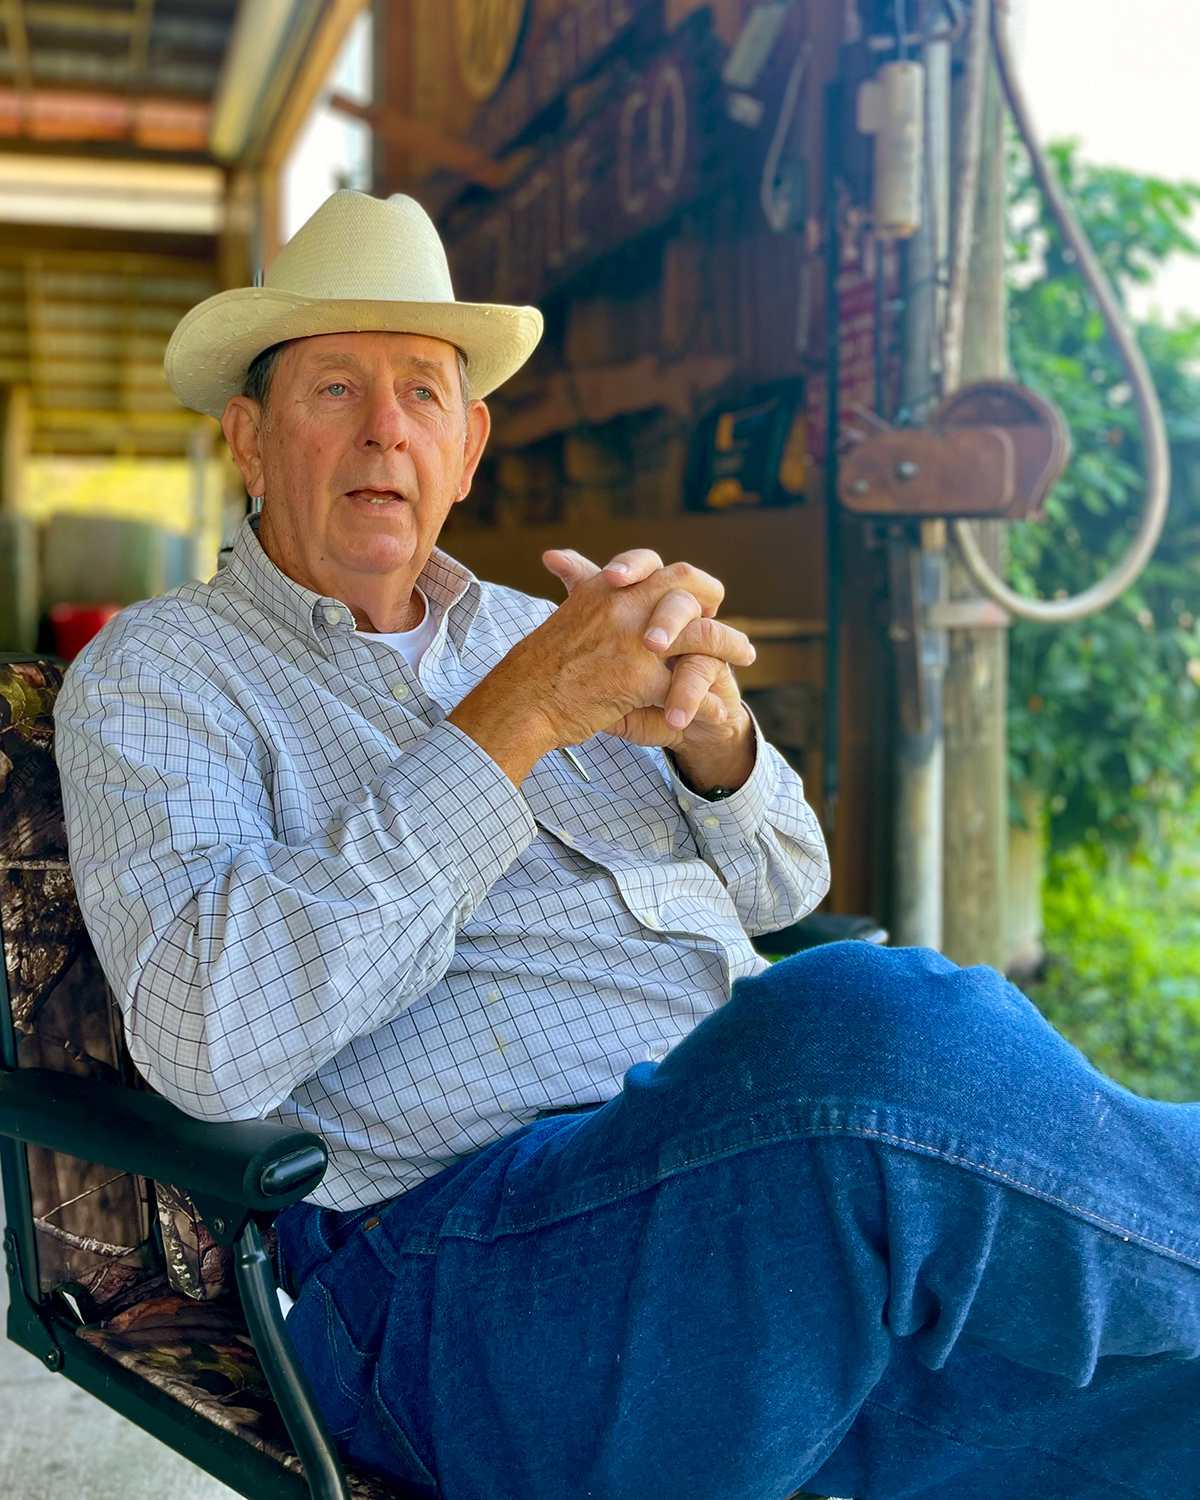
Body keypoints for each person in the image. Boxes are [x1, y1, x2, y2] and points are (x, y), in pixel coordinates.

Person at [56, 192, 1200, 1500]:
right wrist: (516, 719)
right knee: (875, 1032)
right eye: (334, 388)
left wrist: (719, 748)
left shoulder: (544, 626)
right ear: (249, 440)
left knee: (1163, 1406)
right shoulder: (167, 673)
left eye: (425, 394)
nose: (386, 427)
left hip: (761, 1219)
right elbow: (205, 1042)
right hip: (452, 1270)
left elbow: (793, 883)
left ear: (469, 445)